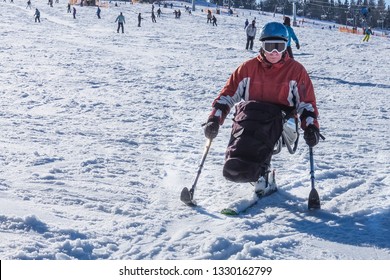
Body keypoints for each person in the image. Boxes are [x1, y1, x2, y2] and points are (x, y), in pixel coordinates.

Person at [204, 22, 320, 196]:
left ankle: (260, 173)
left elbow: (306, 104)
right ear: (262, 46)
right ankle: (238, 164)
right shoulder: (248, 68)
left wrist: (311, 127)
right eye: (269, 46)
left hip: (284, 124)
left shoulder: (296, 71)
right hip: (252, 120)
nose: (274, 52)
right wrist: (214, 119)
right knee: (245, 120)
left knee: (264, 127)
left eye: (279, 47)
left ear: (285, 47)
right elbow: (227, 96)